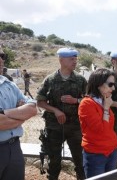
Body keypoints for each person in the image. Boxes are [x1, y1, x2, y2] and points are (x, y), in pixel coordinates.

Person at [36, 47, 87, 180]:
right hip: (54, 127)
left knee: (80, 161)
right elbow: (40, 102)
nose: (75, 61)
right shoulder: (50, 80)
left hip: (76, 127)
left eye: (75, 59)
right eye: (71, 59)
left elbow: (91, 100)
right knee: (54, 162)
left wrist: (76, 100)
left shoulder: (81, 80)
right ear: (61, 60)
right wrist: (55, 110)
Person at [0, 49, 37, 180]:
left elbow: (33, 109)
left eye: (2, 55)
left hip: (14, 148)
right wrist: (20, 115)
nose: (1, 59)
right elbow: (1, 123)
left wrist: (5, 113)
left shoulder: (9, 84)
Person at [78, 68, 117, 178]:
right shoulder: (86, 104)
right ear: (99, 84)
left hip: (111, 151)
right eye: (110, 84)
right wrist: (106, 109)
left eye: (114, 84)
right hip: (96, 154)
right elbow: (101, 130)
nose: (113, 88)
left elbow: (110, 128)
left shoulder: (104, 100)